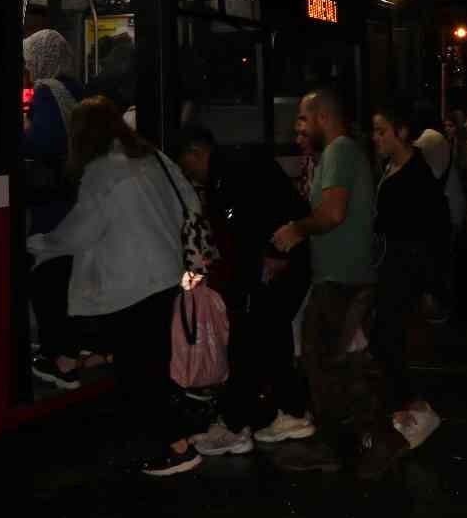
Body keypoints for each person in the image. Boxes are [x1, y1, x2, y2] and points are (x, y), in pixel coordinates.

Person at [26, 96, 204, 476]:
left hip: (130, 284)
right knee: (148, 361)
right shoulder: (154, 157)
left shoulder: (100, 173)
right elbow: (189, 202)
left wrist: (38, 243)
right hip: (168, 274)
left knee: (140, 369)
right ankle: (171, 435)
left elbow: (80, 233)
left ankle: (179, 448)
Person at [271, 87, 404, 478]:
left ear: (323, 118)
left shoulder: (339, 152)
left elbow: (332, 213)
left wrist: (296, 229)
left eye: (302, 118)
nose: (298, 126)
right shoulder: (341, 152)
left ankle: (346, 446)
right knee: (340, 364)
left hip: (342, 278)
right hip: (344, 275)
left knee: (324, 363)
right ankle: (369, 443)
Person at [174, 126, 313, 456]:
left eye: (186, 165)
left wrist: (272, 257)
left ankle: (246, 422)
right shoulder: (237, 164)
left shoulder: (230, 175)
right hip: (279, 266)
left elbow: (250, 226)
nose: (187, 174)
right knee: (265, 335)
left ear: (197, 154)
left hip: (275, 266)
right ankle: (278, 413)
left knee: (253, 337)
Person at [369, 100, 447, 452]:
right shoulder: (392, 167)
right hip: (393, 265)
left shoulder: (416, 176)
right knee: (386, 336)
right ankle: (406, 405)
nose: (376, 138)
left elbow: (433, 230)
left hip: (406, 267)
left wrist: (429, 283)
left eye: (381, 131)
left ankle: (413, 408)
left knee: (389, 336)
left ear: (401, 133)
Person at [23, 29, 89, 390]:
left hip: (53, 203)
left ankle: (60, 359)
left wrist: (20, 130)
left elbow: (42, 142)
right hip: (78, 198)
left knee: (46, 278)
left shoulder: (48, 90)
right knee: (68, 278)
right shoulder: (78, 89)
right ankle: (72, 349)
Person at [413, 100, 467, 322]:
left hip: (443, 216)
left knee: (438, 266)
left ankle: (440, 312)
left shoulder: (429, 140)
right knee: (442, 265)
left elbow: (421, 180)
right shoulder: (436, 139)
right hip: (449, 212)